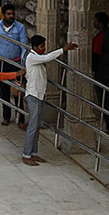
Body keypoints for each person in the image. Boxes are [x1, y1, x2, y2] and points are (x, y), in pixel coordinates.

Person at [20, 33, 75, 165]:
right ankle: (26, 154)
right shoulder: (32, 57)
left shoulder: (37, 57)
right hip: (33, 95)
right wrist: (64, 49)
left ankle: (33, 153)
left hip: (40, 95)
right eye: (41, 46)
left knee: (37, 125)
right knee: (32, 126)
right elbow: (48, 57)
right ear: (34, 47)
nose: (44, 48)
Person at [0, 3, 30, 125]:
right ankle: (6, 116)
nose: (11, 16)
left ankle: (20, 118)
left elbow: (24, 46)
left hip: (15, 63)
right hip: (2, 62)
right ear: (4, 15)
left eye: (13, 14)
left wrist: (23, 64)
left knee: (17, 91)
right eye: (9, 14)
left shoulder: (19, 27)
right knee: (4, 90)